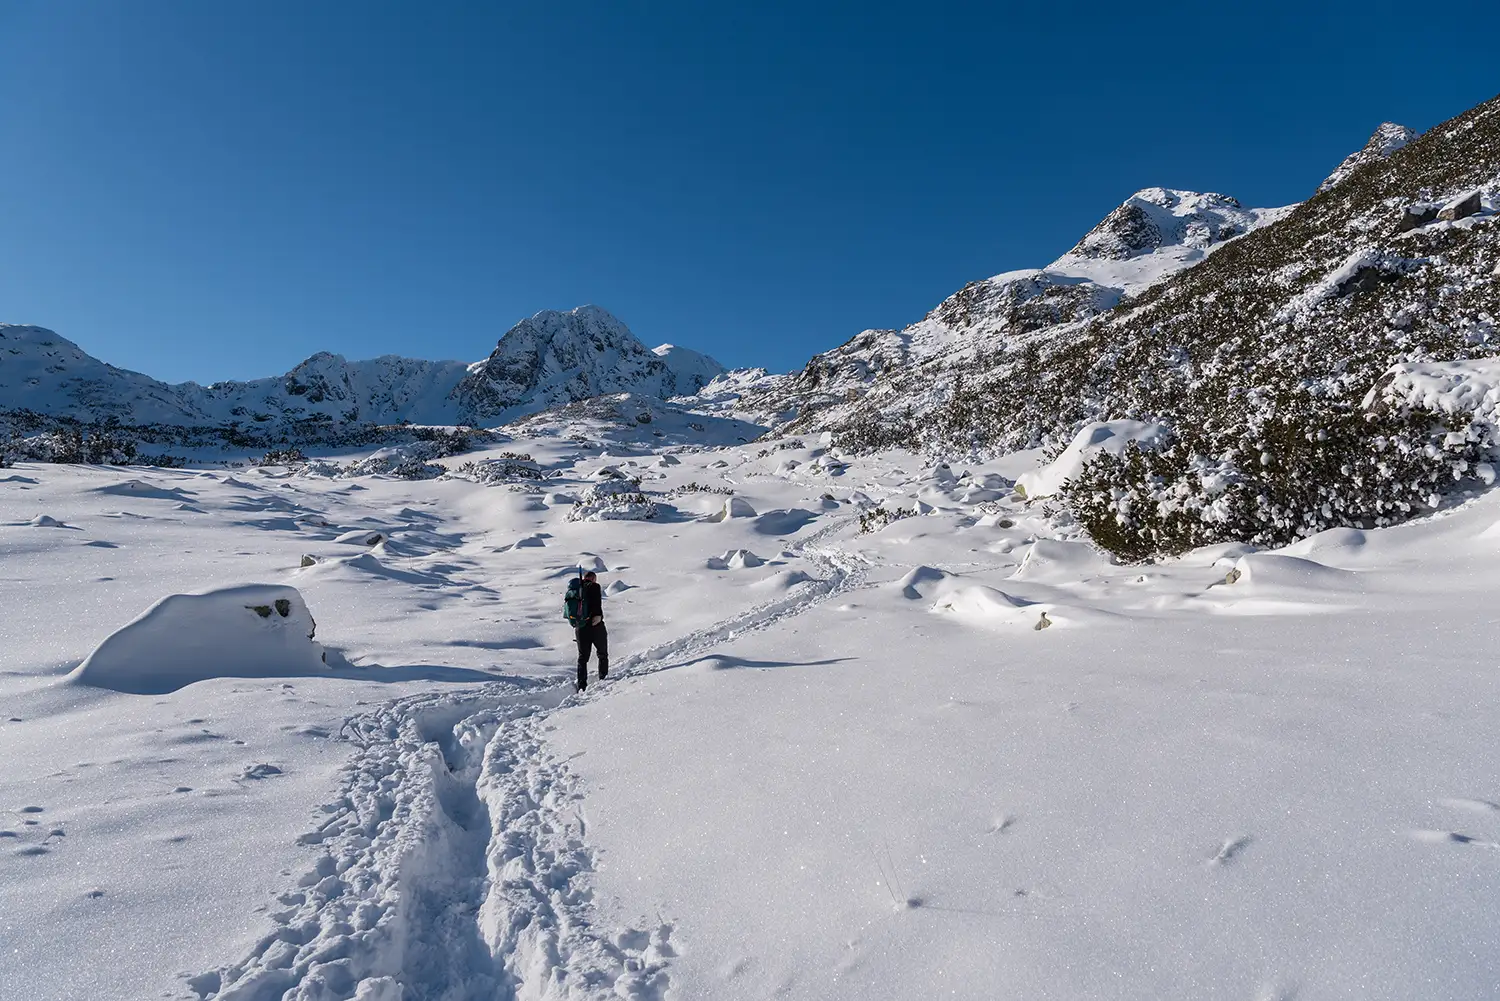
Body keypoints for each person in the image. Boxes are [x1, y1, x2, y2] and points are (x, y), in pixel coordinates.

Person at [575, 570, 608, 691]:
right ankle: (603, 679)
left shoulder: (576, 588)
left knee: (582, 658)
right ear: (593, 578)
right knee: (602, 653)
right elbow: (597, 603)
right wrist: (598, 616)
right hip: (595, 625)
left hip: (580, 627)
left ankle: (581, 685)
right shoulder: (594, 586)